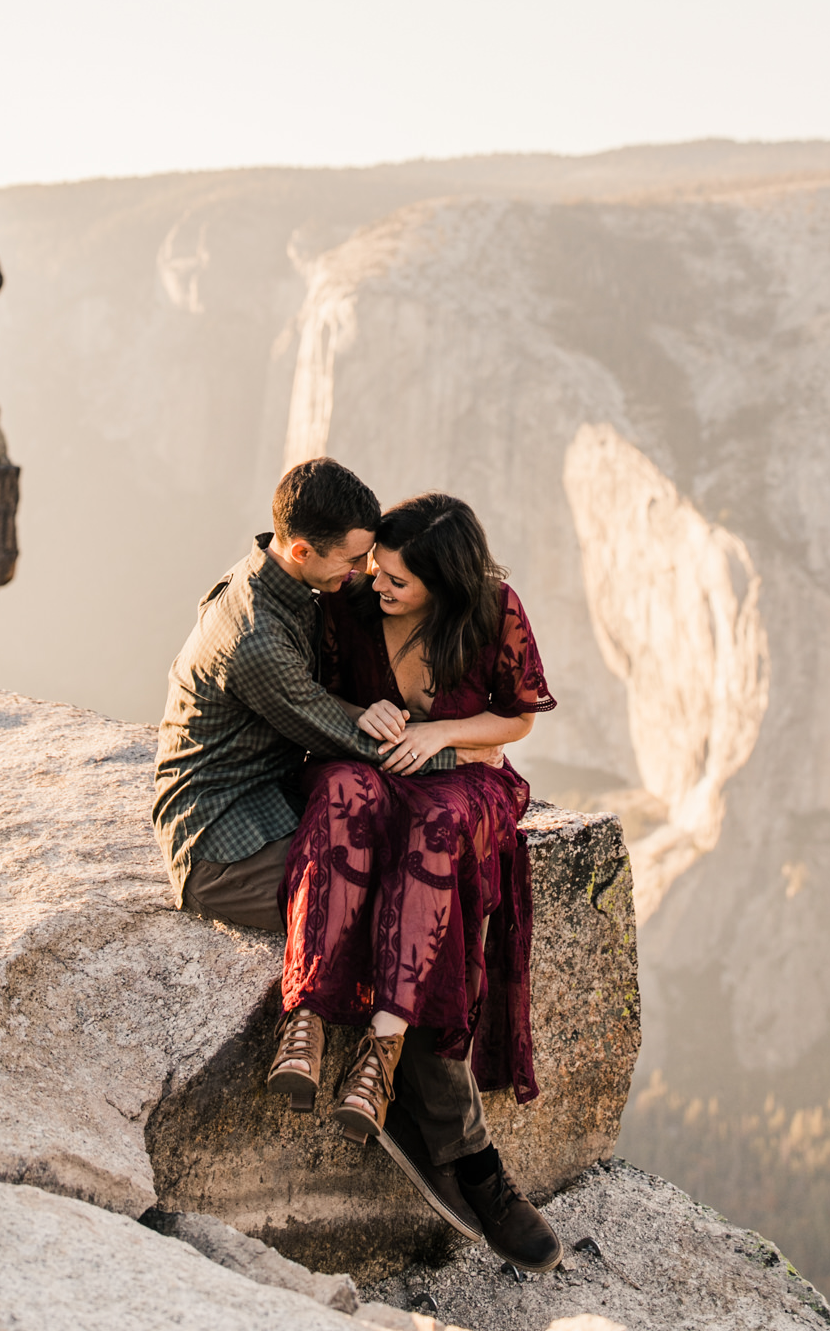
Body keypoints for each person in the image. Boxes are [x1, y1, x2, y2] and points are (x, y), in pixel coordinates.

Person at [152, 459, 558, 1269]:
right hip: (226, 839)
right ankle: (457, 1149)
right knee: (416, 914)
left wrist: (439, 735)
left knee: (415, 881)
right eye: (353, 562)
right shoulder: (263, 634)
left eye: (377, 565)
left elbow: (483, 716)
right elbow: (349, 738)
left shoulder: (289, 582)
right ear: (303, 550)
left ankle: (393, 1088)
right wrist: (423, 744)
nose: (362, 578)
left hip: (276, 804)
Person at [269, 491, 560, 1271]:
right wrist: (359, 715)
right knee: (340, 797)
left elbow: (516, 718)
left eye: (397, 579)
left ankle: (386, 1055)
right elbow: (310, 693)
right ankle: (307, 1022)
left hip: (457, 785)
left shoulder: (493, 612)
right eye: (375, 570)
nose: (375, 582)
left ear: (446, 581)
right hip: (371, 769)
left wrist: (441, 731)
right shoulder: (352, 605)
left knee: (435, 844)